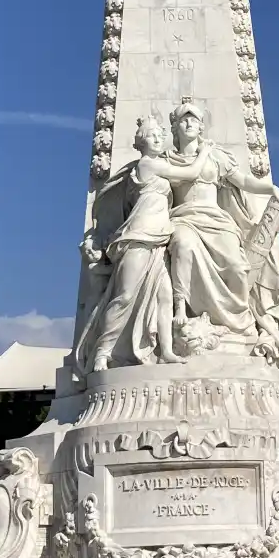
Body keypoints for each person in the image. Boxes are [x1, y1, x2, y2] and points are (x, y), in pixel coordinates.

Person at [75, 115, 204, 372]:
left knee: (165, 297)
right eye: (151, 136)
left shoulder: (154, 166)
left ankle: (166, 351)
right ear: (141, 142)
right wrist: (205, 151)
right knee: (124, 296)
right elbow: (191, 173)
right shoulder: (147, 165)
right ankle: (102, 352)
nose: (157, 139)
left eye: (159, 135)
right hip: (138, 238)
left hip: (159, 240)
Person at [166, 102, 279, 350]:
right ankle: (180, 311)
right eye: (183, 120)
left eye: (193, 120)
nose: (189, 124)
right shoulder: (168, 159)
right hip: (184, 218)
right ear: (175, 127)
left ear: (201, 127)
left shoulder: (215, 156)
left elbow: (242, 180)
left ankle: (238, 325)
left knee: (237, 267)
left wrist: (270, 188)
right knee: (183, 246)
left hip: (216, 220)